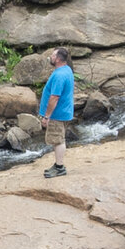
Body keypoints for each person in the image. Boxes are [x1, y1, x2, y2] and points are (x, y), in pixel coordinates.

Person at [37, 48, 75, 178]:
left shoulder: (59, 75)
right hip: (65, 111)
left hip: (57, 114)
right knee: (59, 138)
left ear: (58, 59)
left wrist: (46, 116)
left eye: (53, 55)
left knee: (58, 140)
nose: (50, 57)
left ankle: (59, 167)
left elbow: (54, 97)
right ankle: (58, 165)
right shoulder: (67, 69)